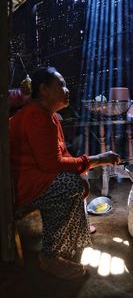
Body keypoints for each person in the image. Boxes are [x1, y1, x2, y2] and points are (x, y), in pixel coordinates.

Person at [9, 66, 121, 280]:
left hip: (35, 176)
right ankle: (50, 256)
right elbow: (52, 164)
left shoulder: (50, 116)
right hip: (20, 184)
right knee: (69, 185)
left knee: (76, 179)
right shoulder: (35, 116)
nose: (67, 89)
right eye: (61, 84)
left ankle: (76, 236)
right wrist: (98, 159)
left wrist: (83, 169)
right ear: (44, 90)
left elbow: (62, 155)